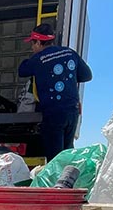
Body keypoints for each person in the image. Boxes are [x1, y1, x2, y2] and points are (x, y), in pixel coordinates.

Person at [17, 23, 92, 162]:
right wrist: (67, 77)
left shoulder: (39, 59)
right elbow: (87, 75)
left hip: (53, 113)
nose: (32, 47)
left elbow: (22, 71)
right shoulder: (69, 53)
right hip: (72, 112)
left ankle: (57, 176)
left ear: (38, 42)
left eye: (32, 44)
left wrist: (31, 59)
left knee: (55, 159)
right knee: (67, 154)